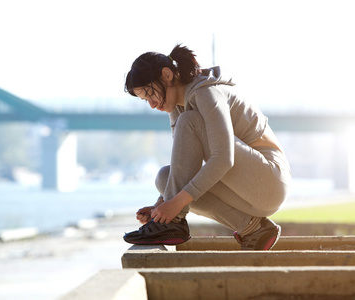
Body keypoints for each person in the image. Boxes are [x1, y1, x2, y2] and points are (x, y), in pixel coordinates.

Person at [123, 44, 291, 250]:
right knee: (164, 178)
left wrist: (175, 206)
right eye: (145, 100)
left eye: (151, 94)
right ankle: (254, 229)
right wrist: (161, 206)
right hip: (246, 186)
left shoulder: (206, 92)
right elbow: (182, 169)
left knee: (189, 123)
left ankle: (174, 224)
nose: (151, 104)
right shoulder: (178, 108)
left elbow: (223, 159)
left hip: (269, 181)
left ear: (167, 75)